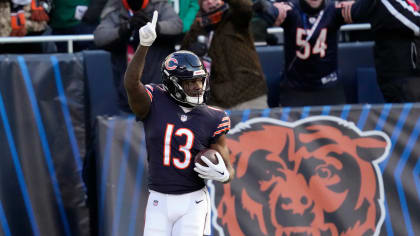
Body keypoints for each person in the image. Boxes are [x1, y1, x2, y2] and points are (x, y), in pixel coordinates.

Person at [124, 11, 235, 236]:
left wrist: (225, 174)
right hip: (158, 200)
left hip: (192, 201)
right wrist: (144, 45)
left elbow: (228, 165)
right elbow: (131, 83)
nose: (197, 86)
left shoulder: (214, 117)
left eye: (199, 79)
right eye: (189, 81)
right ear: (173, 83)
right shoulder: (154, 101)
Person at [94, 0, 182, 113]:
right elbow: (100, 36)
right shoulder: (115, 7)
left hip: (160, 91)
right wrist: (126, 27)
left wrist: (154, 27)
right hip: (128, 95)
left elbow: (177, 25)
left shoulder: (159, 4)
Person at [262, 0, 354, 107]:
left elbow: (361, 11)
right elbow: (270, 12)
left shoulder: (333, 8)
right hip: (295, 89)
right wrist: (270, 7)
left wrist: (353, 5)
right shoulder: (291, 8)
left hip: (329, 87)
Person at [181, 0, 267, 109]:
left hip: (250, 94)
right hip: (219, 101)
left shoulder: (236, 17)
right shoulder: (198, 26)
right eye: (205, 0)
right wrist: (192, 52)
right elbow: (183, 60)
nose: (210, 2)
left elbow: (245, 7)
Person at [346, 0, 420, 102]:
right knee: (410, 115)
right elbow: (415, 24)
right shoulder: (385, 2)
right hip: (402, 77)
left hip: (412, 73)